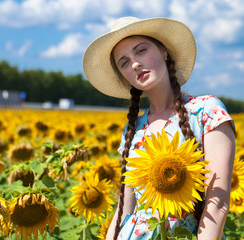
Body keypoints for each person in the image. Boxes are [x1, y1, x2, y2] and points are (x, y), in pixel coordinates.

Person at [83, 16, 235, 240]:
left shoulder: (206, 112)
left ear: (164, 51)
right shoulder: (133, 130)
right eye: (124, 62)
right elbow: (125, 209)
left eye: (141, 50)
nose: (135, 64)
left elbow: (218, 203)